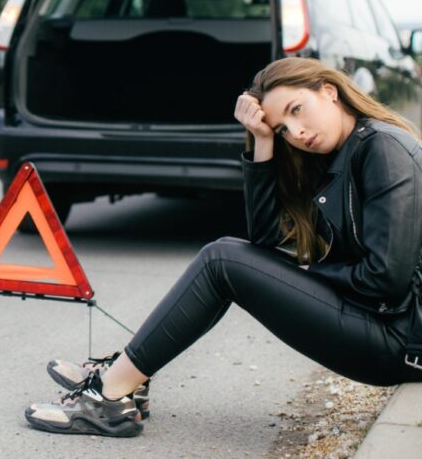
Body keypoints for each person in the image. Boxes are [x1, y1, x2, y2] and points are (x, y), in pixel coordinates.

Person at [24, 57, 422, 437]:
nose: (296, 133)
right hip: (381, 323)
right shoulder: (338, 153)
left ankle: (110, 396)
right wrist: (263, 141)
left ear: (329, 91)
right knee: (226, 255)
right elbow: (264, 243)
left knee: (221, 259)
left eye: (297, 110)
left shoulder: (383, 150)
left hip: (399, 339)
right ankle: (123, 378)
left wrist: (306, 274)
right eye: (283, 128)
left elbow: (384, 279)